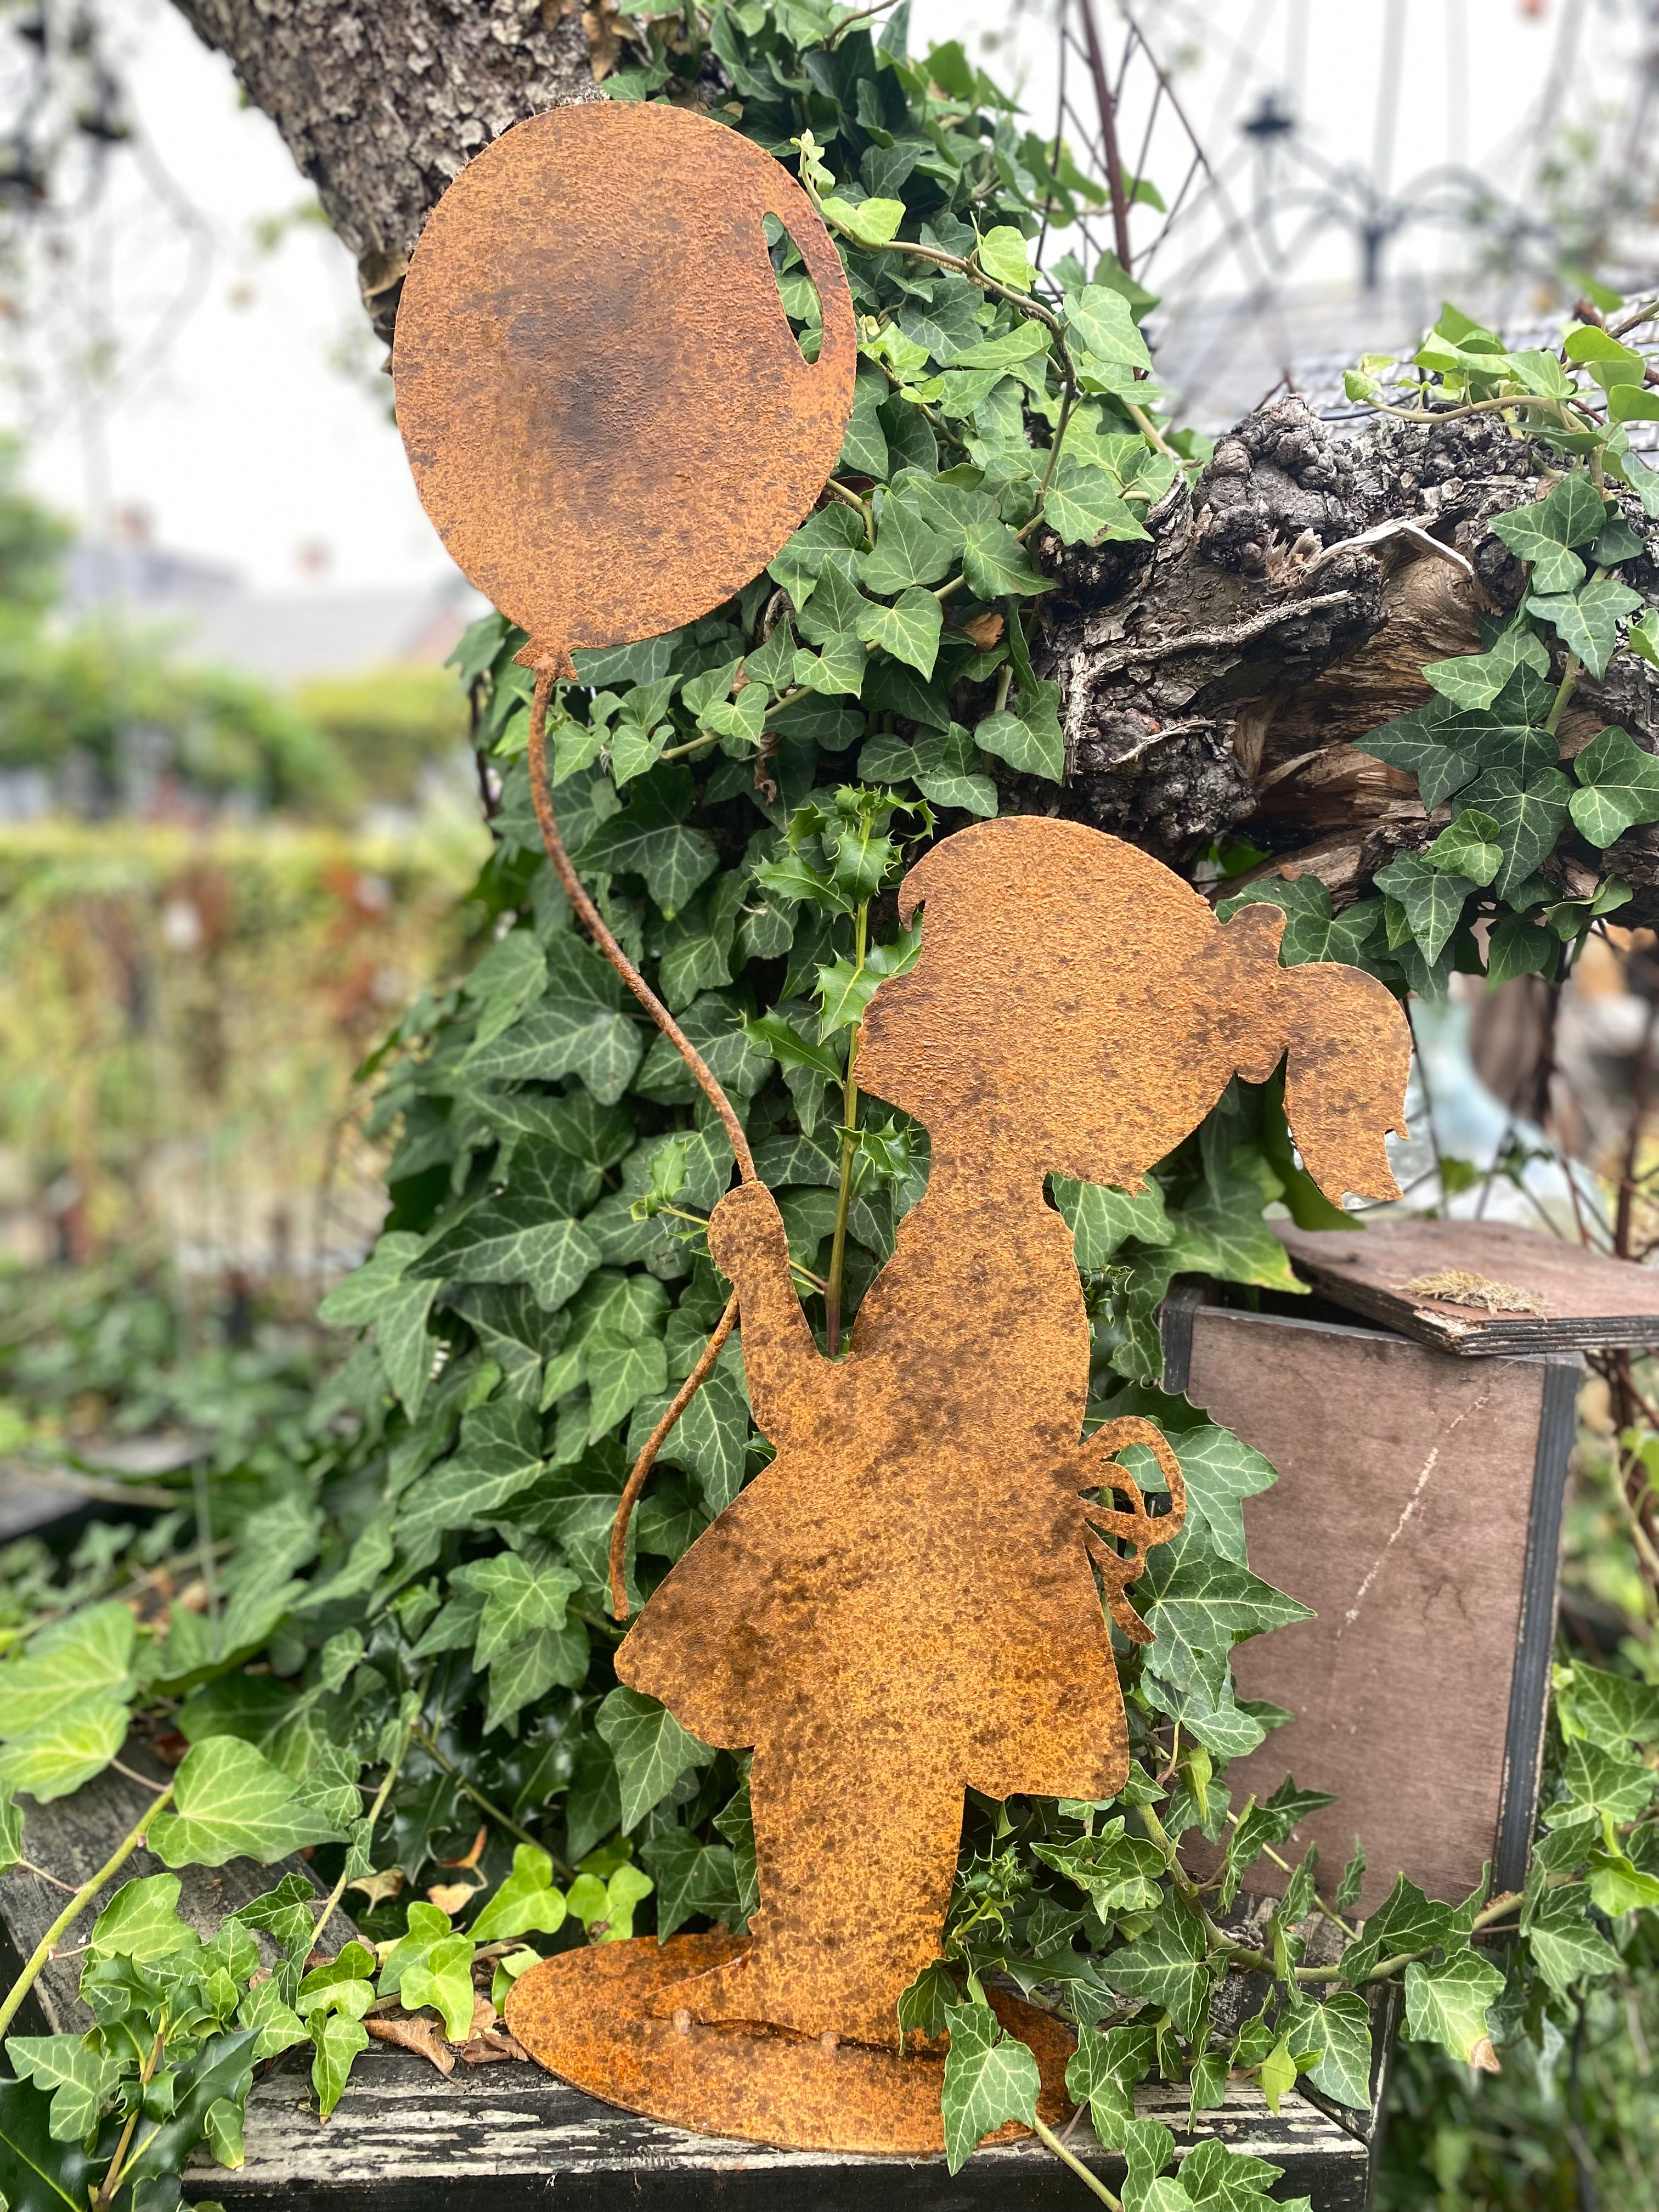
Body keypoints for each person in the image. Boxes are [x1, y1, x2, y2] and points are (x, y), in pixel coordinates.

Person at [617, 815, 1411, 2046]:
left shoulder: (980, 1251)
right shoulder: (998, 1240)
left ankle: (836, 1989)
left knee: (854, 1772)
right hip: (905, 1592)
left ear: (1005, 1046)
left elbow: (822, 1425)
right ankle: (825, 1976)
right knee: (837, 1769)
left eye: (926, 975)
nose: (886, 1003)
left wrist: (763, 1281)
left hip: (897, 1607)